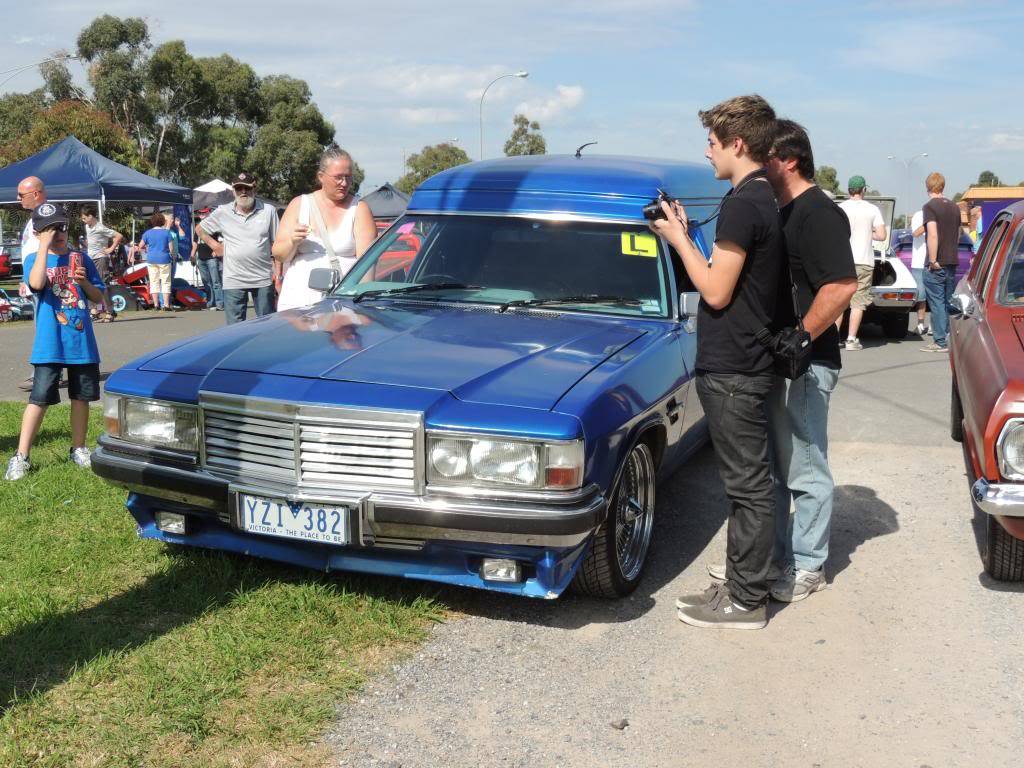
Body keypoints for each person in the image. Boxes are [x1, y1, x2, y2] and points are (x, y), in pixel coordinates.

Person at [651, 94, 784, 630]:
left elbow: (715, 289)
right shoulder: (758, 198)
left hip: (735, 365)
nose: (706, 152)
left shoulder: (744, 203)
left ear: (737, 144)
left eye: (711, 141)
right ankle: (738, 583)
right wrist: (689, 234)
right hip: (742, 361)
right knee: (748, 484)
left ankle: (747, 600)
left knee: (748, 487)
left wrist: (678, 237)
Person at [762, 120, 857, 602]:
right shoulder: (782, 211)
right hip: (779, 363)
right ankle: (778, 558)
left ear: (790, 159)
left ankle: (808, 566)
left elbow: (841, 284)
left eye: (765, 155)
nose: (757, 162)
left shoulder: (818, 213)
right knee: (779, 469)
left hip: (807, 364)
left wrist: (801, 337)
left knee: (805, 468)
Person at [5, 204, 106, 481]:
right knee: (39, 398)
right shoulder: (33, 260)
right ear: (37, 233)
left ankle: (79, 448)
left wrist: (84, 284)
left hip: (81, 341)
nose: (58, 233)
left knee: (81, 397)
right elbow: (37, 284)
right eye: (50, 229)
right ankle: (21, 456)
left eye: (61, 227)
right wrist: (43, 247)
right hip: (50, 343)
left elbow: (98, 298)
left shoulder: (81, 258)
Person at [273, 147, 376, 311]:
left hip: (342, 304)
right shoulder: (299, 204)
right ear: (321, 177)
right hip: (296, 302)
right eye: (338, 177)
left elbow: (367, 265)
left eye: (348, 177)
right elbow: (279, 254)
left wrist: (362, 306)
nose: (344, 183)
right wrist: (292, 241)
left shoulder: (359, 209)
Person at [198, 171, 279, 324]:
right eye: (239, 189)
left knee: (266, 327)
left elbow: (277, 244)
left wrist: (279, 274)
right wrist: (215, 246)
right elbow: (200, 229)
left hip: (262, 279)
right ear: (233, 191)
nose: (243, 192)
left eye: (247, 188)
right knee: (234, 330)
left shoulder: (269, 211)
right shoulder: (223, 211)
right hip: (233, 279)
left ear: (254, 188)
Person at [837, 176, 886, 351]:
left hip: (842, 260)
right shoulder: (872, 209)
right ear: (864, 190)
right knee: (858, 301)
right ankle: (851, 339)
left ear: (849, 190)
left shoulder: (840, 208)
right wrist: (868, 233)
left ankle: (834, 339)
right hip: (864, 261)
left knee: (839, 301)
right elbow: (881, 235)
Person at [920, 172, 962, 353]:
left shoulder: (929, 207)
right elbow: (959, 233)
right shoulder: (955, 207)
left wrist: (933, 259)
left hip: (937, 262)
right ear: (943, 187)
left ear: (928, 187)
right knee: (947, 301)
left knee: (936, 302)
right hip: (952, 260)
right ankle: (946, 337)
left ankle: (939, 342)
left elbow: (932, 234)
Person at [80, 203, 123, 322]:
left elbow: (118, 236)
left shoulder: (100, 227)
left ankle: (110, 311)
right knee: (90, 284)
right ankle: (95, 311)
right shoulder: (88, 227)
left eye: (84, 218)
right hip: (90, 258)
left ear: (91, 216)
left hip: (101, 258)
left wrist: (110, 249)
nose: (83, 221)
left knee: (102, 284)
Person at [139, 212, 174, 311]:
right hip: (164, 259)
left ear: (152, 222)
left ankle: (156, 305)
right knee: (166, 282)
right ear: (163, 222)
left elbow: (140, 246)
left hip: (151, 259)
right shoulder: (167, 233)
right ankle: (166, 305)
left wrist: (148, 248)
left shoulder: (147, 233)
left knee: (154, 281)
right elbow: (171, 249)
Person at [191, 210, 223, 310]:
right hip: (201, 258)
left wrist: (217, 250)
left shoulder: (214, 226)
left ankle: (220, 303)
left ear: (209, 214)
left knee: (216, 282)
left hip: (212, 258)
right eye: (200, 213)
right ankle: (210, 302)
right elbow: (195, 243)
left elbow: (222, 240)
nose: (202, 215)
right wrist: (192, 255)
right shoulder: (198, 227)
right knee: (206, 282)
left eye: (204, 213)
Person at [909, 209, 928, 335]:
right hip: (920, 262)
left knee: (937, 297)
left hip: (938, 261)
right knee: (921, 296)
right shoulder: (919, 215)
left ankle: (935, 325)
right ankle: (921, 324)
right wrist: (930, 223)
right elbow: (916, 233)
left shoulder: (943, 214)